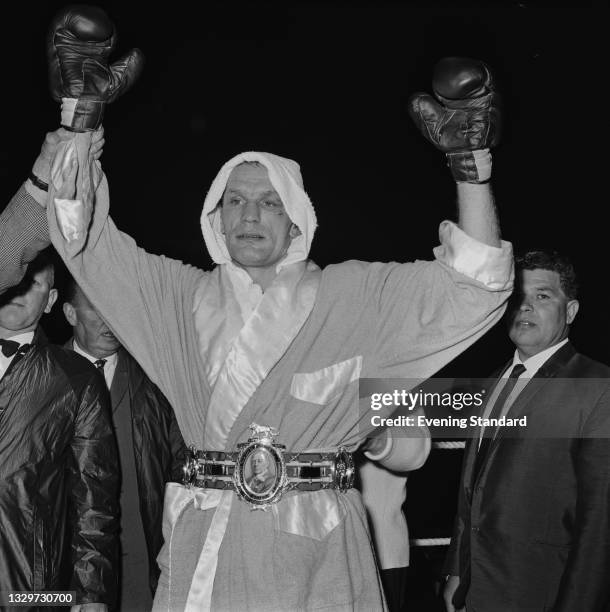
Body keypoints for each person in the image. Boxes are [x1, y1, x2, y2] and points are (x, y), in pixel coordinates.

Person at [8, 34, 513, 608]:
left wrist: (471, 170)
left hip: (317, 565)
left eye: (269, 203)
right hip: (206, 558)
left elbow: (474, 286)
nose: (249, 214)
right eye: (235, 201)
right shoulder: (175, 298)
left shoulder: (353, 297)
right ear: (215, 221)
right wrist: (79, 119)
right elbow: (82, 236)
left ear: (297, 223)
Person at [444, 250, 610, 612]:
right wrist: (457, 571)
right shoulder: (489, 383)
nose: (525, 307)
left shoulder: (599, 387)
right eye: (517, 297)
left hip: (544, 594)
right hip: (476, 592)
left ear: (571, 312)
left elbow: (601, 523)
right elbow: (471, 489)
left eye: (543, 296)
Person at [0, 247, 119, 612]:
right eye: (15, 277)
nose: (19, 290)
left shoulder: (77, 379)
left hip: (28, 587)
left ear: (51, 300)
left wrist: (91, 593)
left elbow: (94, 496)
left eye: (33, 283)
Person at [62, 278, 187, 610]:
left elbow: (182, 465)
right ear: (70, 313)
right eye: (96, 309)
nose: (110, 320)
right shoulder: (44, 378)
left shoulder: (157, 379)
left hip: (145, 554)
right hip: (67, 563)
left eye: (115, 308)